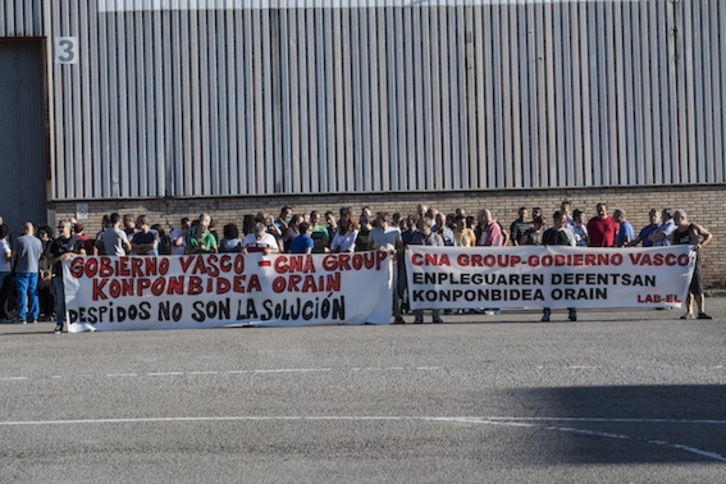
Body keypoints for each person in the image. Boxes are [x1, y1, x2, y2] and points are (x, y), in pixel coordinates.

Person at [671, 210, 713, 320]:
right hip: (681, 265)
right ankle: (689, 311)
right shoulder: (675, 233)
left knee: (697, 287)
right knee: (686, 288)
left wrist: (700, 245)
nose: (674, 221)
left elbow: (708, 235)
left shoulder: (693, 227)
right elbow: (672, 248)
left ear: (682, 218)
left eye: (675, 219)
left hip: (694, 262)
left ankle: (701, 311)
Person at [48, 220, 86, 333]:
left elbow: (83, 255)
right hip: (60, 275)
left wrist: (70, 255)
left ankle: (80, 322)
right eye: (59, 227)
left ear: (69, 228)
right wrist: (60, 258)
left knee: (77, 299)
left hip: (75, 276)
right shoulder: (55, 243)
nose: (60, 229)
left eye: (62, 227)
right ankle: (59, 324)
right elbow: (50, 260)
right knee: (60, 300)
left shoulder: (77, 241)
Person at [367, 212, 404, 323]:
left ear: (384, 221)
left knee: (393, 288)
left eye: (379, 220)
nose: (377, 222)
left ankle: (397, 314)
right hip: (377, 264)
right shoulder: (373, 232)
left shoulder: (395, 231)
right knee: (377, 288)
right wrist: (376, 250)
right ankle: (376, 313)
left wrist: (395, 251)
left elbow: (401, 247)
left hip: (391, 263)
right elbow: (368, 247)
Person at [541, 211, 577, 322]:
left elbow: (573, 248)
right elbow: (543, 249)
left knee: (569, 289)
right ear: (555, 220)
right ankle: (546, 312)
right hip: (550, 268)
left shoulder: (568, 233)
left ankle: (572, 311)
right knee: (548, 290)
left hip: (565, 267)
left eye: (565, 219)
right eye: (562, 219)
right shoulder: (548, 233)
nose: (564, 221)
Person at [409, 218, 444, 324]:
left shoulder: (436, 238)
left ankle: (436, 316)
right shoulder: (416, 238)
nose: (421, 228)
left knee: (435, 292)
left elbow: (443, 252)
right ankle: (419, 317)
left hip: (433, 271)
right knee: (419, 292)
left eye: (422, 226)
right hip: (420, 270)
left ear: (428, 226)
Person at [12, 221, 43, 324]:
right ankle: (34, 315)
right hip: (34, 269)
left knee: (22, 292)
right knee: (33, 292)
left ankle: (22, 316)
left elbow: (14, 255)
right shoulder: (38, 241)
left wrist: (13, 263)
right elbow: (39, 256)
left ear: (25, 229)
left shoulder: (19, 240)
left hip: (22, 269)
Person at [0, 224, 12, 322]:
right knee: (4, 294)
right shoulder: (5, 244)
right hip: (5, 271)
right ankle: (3, 314)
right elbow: (8, 256)